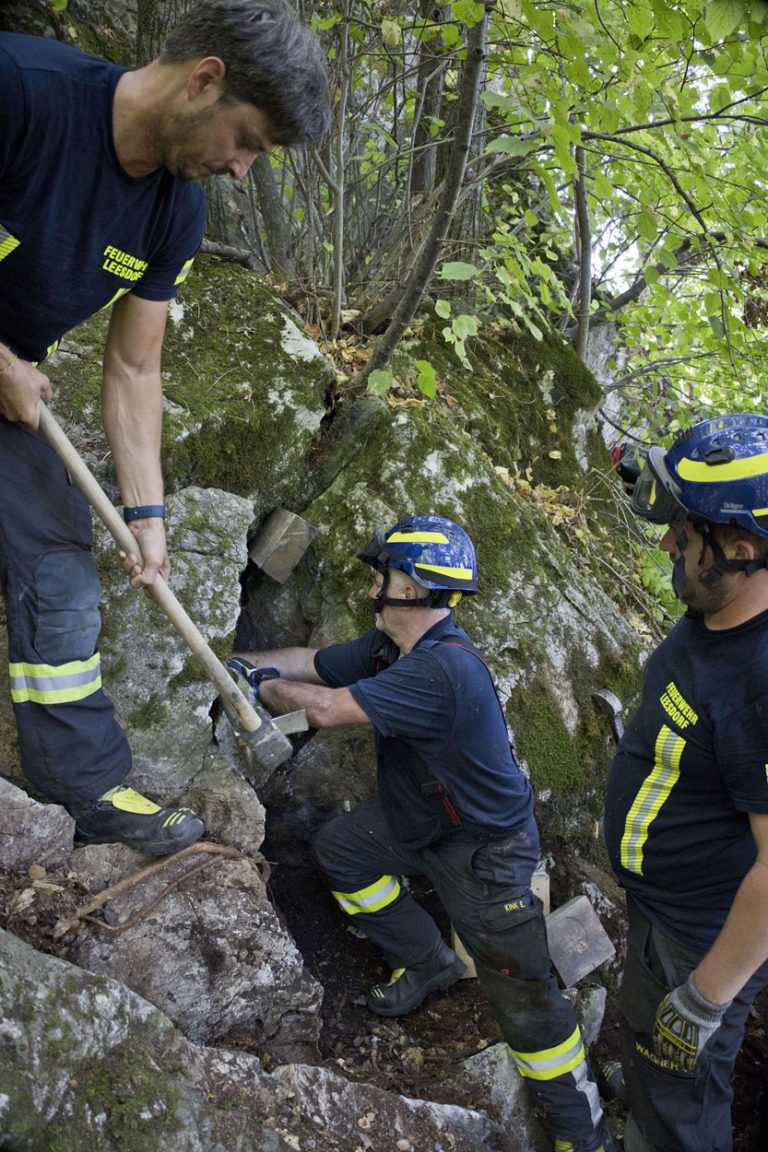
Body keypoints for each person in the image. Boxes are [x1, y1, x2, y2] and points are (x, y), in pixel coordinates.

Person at [0, 1, 329, 855]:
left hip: (6, 390)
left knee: (60, 556)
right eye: (248, 140)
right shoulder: (22, 90)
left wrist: (147, 517)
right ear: (204, 79)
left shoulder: (173, 212)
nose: (243, 169)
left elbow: (135, 369)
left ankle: (87, 785)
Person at [229, 514, 617, 1152]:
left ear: (410, 588)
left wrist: (259, 687)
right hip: (420, 822)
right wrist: (239, 660)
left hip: (486, 854)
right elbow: (315, 666)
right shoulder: (391, 648)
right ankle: (426, 960)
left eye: (383, 574)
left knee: (524, 995)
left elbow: (323, 708)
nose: (373, 585)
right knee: (340, 851)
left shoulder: (442, 670)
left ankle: (584, 1134)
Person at [604, 413, 768, 1151]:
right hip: (663, 914)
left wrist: (705, 999)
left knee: (684, 1109)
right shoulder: (718, 609)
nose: (669, 543)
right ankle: (645, 1094)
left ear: (741, 550)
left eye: (686, 534)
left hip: (700, 945)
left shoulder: (759, 683)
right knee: (653, 1059)